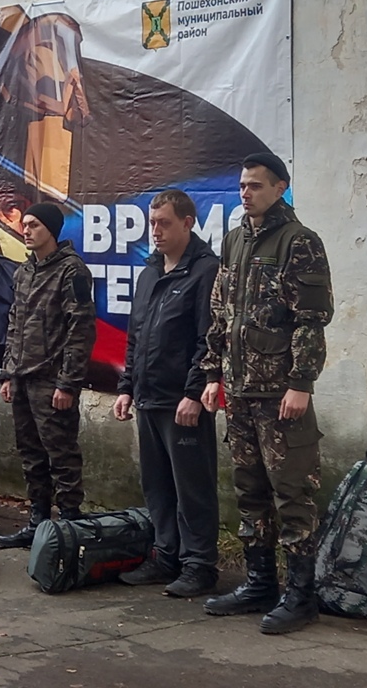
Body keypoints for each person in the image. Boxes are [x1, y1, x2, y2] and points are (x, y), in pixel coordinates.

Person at [199, 152, 333, 634]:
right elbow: (220, 316)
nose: (246, 193)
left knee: (291, 495)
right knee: (250, 492)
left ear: (280, 188)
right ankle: (259, 583)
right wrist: (212, 374)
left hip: (281, 395)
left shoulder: (300, 243)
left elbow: (311, 320)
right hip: (239, 392)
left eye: (256, 186)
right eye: (242, 186)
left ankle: (301, 596)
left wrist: (301, 383)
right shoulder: (235, 240)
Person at [112, 189, 221, 596]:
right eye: (151, 223)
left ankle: (199, 565)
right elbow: (135, 335)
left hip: (183, 402)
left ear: (188, 223)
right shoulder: (150, 272)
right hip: (148, 398)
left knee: (192, 486)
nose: (155, 231)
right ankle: (166, 556)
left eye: (164, 223)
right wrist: (126, 387)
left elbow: (208, 338)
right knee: (157, 485)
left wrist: (194, 392)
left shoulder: (205, 271)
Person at [0, 202, 96, 549]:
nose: (26, 230)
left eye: (34, 225)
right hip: (23, 378)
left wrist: (68, 382)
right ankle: (38, 522)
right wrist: (9, 373)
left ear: (51, 230)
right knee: (30, 454)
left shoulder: (72, 272)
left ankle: (69, 524)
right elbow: (14, 324)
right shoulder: (24, 272)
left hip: (52, 381)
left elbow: (80, 329)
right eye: (24, 224)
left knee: (61, 454)